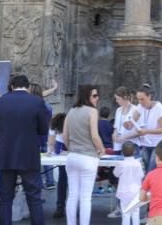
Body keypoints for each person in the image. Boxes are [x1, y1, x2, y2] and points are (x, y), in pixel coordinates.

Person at [0, 73, 51, 225]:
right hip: (29, 155)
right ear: (28, 86)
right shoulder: (37, 102)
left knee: (5, 197)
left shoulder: (0, 102)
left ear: (11, 86)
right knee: (34, 198)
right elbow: (44, 129)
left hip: (6, 155)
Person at [64, 84, 107, 225]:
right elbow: (95, 136)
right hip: (88, 157)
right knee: (85, 197)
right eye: (94, 96)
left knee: (72, 195)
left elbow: (65, 135)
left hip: (72, 156)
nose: (97, 98)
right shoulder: (92, 112)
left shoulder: (71, 111)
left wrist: (71, 147)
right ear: (87, 96)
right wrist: (102, 149)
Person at [135, 86, 162, 171]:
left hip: (158, 144)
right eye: (138, 99)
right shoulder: (140, 106)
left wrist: (146, 131)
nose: (140, 102)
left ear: (149, 97)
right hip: (146, 143)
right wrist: (129, 123)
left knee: (151, 169)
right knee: (145, 168)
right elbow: (132, 120)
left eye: (142, 99)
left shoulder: (159, 108)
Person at [114, 141, 144, 225]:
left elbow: (115, 174)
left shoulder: (121, 164)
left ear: (122, 152)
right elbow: (141, 175)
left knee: (125, 214)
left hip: (124, 192)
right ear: (134, 151)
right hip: (136, 192)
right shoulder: (138, 163)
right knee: (135, 214)